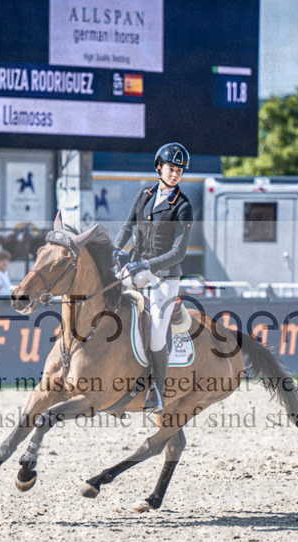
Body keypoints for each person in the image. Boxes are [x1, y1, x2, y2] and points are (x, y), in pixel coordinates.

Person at [113, 142, 193, 412]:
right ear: (159, 167)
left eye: (179, 171)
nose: (175, 174)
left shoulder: (182, 206)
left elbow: (178, 252)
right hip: (138, 267)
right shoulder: (145, 194)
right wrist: (115, 248)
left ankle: (157, 394)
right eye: (171, 168)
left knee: (157, 336)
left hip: (165, 276)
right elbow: (127, 226)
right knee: (107, 292)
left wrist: (147, 263)